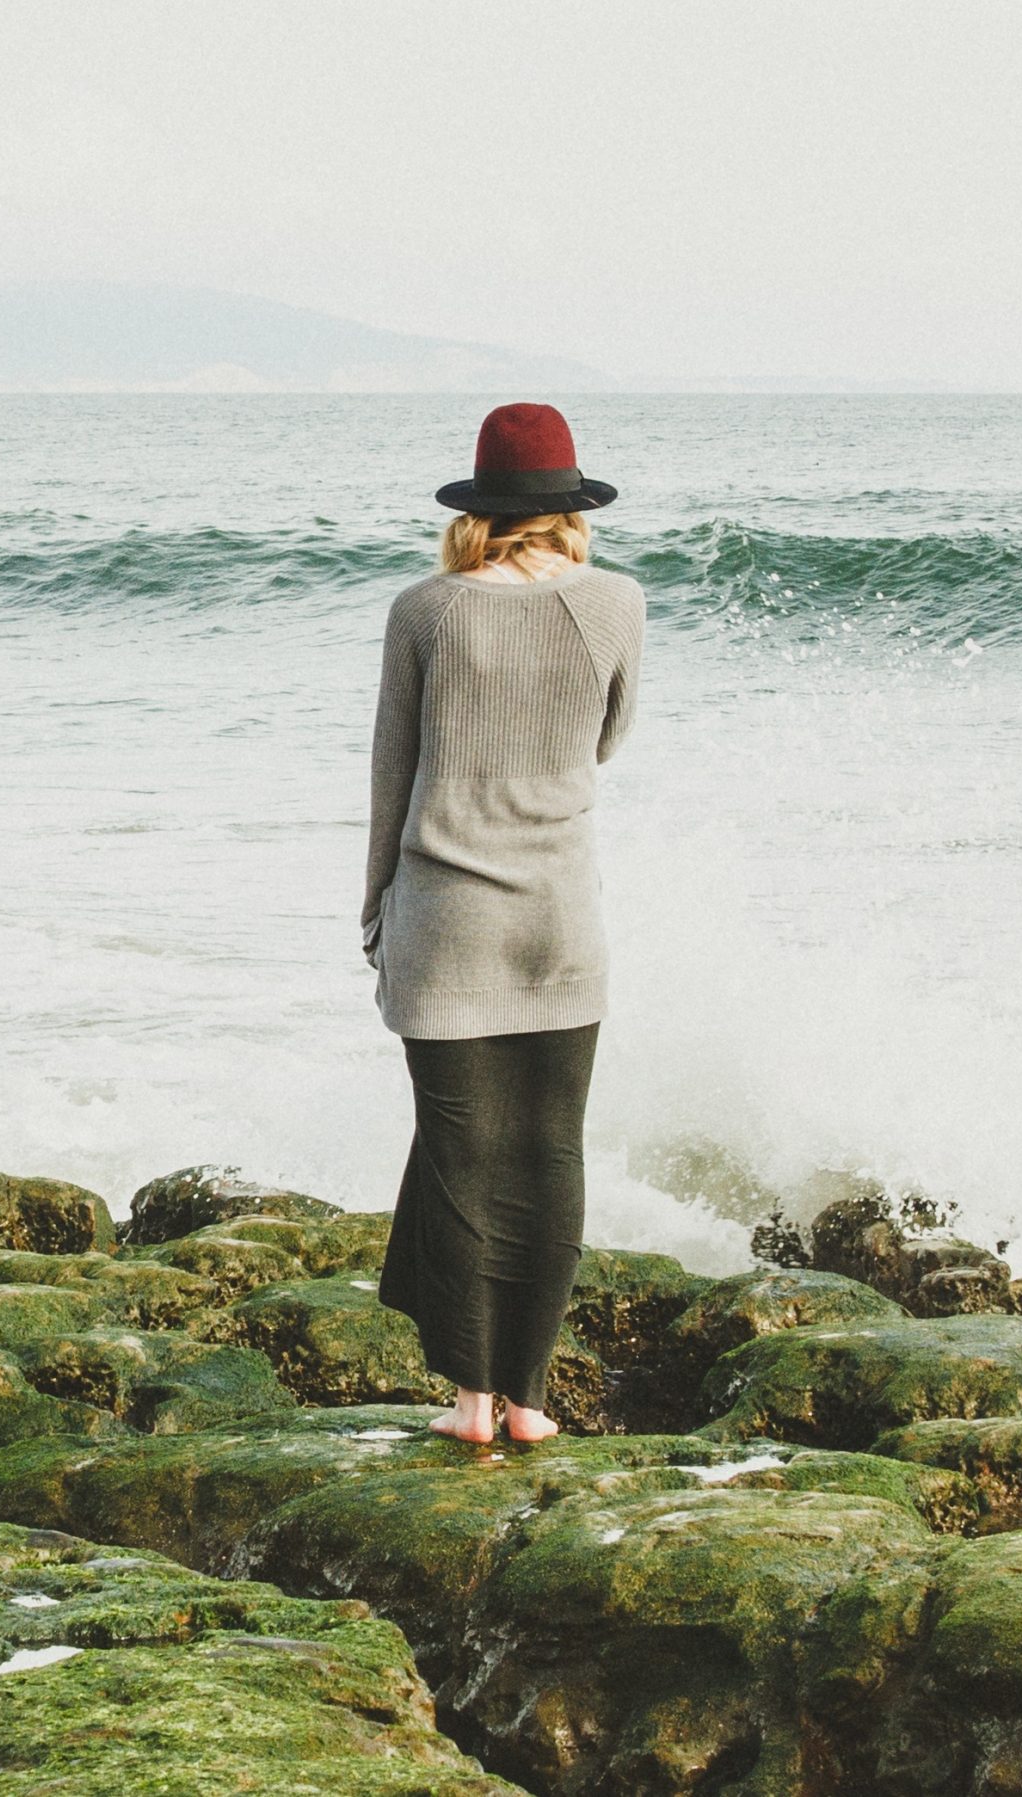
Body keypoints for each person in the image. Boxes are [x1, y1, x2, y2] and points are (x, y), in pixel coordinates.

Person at [364, 402, 645, 1445]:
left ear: (476, 508)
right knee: (549, 1153)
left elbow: (392, 773)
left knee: (460, 1157)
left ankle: (470, 1403)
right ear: (570, 507)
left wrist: (372, 915)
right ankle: (530, 1400)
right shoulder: (616, 602)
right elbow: (607, 738)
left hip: (445, 916)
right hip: (561, 913)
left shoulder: (424, 610)